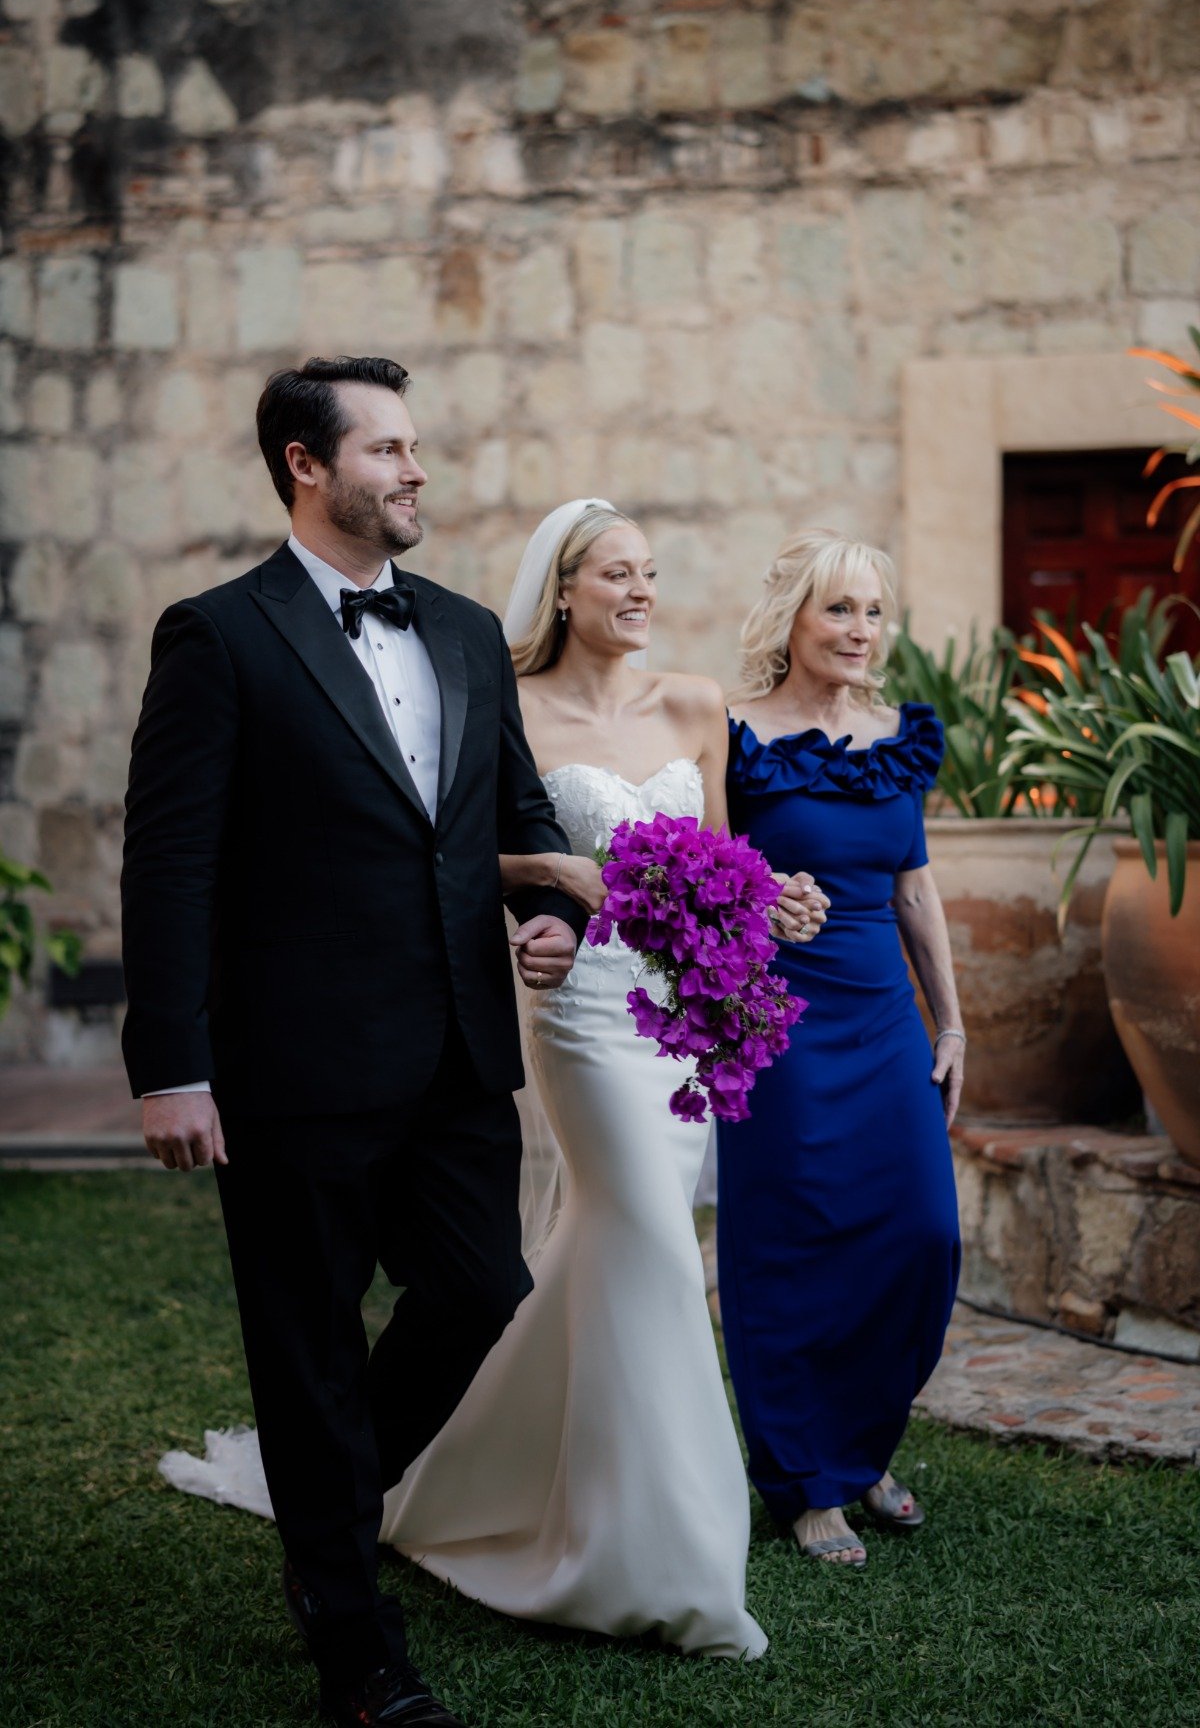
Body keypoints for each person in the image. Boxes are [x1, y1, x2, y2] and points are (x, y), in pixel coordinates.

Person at [122, 356, 586, 1728]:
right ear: (305, 466)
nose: (416, 469)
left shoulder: (454, 629)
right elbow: (172, 864)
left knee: (483, 1292)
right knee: (309, 1340)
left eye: (416, 445)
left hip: (456, 1049)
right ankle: (352, 1640)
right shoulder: (218, 636)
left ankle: (325, 1507)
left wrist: (548, 911)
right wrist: (172, 1063)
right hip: (294, 1064)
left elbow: (517, 814)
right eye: (386, 448)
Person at [376, 499, 825, 1655]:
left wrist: (771, 896)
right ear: (561, 590)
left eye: (651, 573)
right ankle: (672, 1568)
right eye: (616, 573)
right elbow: (456, 852)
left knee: (615, 1247)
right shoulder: (506, 707)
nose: (640, 591)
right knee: (661, 1254)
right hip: (576, 1005)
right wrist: (556, 879)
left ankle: (467, 1474)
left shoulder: (694, 706)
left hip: (685, 1009)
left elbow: (722, 857)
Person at [717, 528, 963, 1571]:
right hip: (779, 1028)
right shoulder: (731, 736)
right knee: (792, 1253)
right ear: (793, 620)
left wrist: (951, 1020)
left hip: (883, 1021)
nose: (862, 630)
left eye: (873, 611)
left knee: (921, 1239)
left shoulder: (901, 734)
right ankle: (810, 1480)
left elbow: (915, 884)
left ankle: (862, 1446)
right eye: (840, 609)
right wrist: (761, 901)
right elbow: (702, 876)